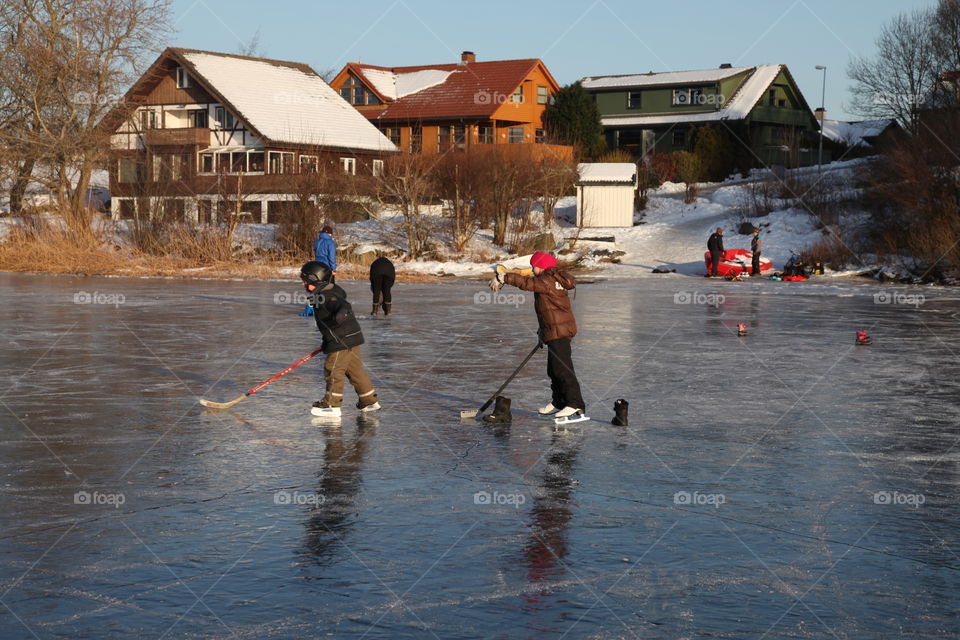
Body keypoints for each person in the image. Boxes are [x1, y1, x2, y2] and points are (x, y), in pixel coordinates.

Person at [490, 251, 585, 421]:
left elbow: (527, 283)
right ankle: (559, 402)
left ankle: (575, 403)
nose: (533, 270)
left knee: (563, 369)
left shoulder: (547, 280)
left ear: (542, 266)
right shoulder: (551, 279)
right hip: (554, 330)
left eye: (534, 266)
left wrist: (503, 277)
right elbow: (547, 311)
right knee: (553, 369)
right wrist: (543, 333)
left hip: (559, 331)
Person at [300, 261, 380, 418]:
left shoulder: (327, 296)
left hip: (341, 340)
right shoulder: (325, 292)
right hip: (350, 338)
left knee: (333, 369)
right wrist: (326, 341)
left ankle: (332, 404)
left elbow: (340, 305)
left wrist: (341, 312)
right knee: (354, 370)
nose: (303, 284)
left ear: (315, 279)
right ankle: (369, 400)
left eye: (305, 281)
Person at [301, 225, 338, 317]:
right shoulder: (330, 243)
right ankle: (326, 308)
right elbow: (331, 257)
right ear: (330, 233)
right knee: (329, 288)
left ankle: (311, 308)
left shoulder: (317, 242)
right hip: (326, 268)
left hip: (316, 267)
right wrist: (333, 269)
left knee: (315, 288)